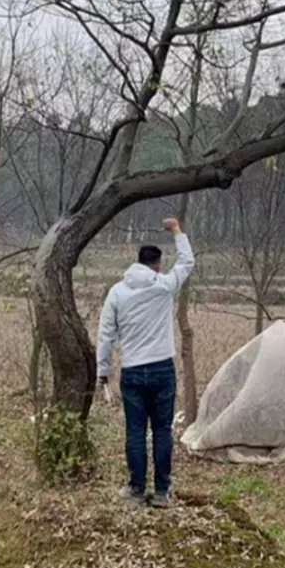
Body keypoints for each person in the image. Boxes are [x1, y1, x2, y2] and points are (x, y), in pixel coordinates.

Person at [96, 216, 195, 507]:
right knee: (162, 431)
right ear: (157, 265)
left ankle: (136, 489)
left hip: (133, 371)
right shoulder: (164, 286)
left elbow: (106, 334)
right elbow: (187, 262)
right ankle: (163, 492)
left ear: (136, 264)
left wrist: (103, 371)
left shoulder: (117, 292)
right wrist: (176, 231)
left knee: (135, 431)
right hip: (163, 368)